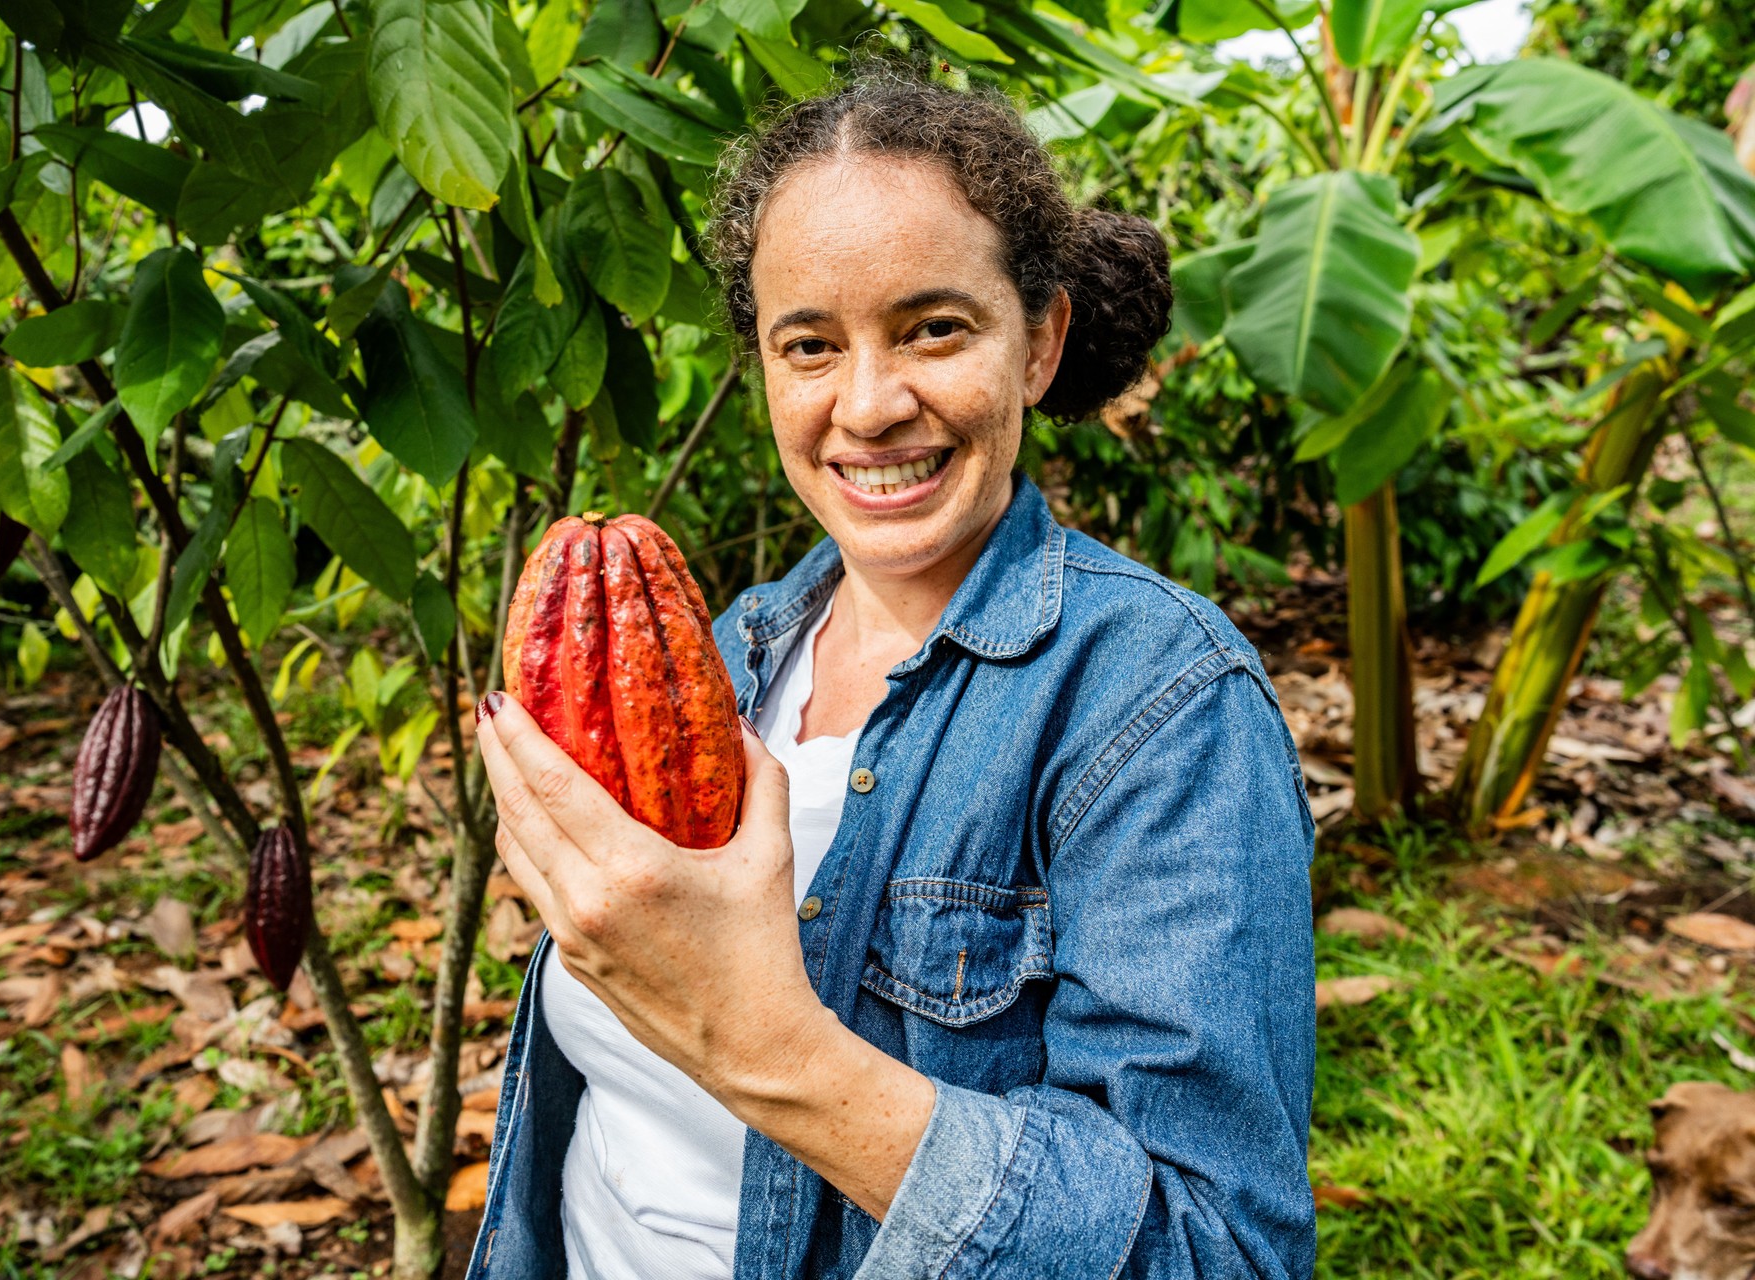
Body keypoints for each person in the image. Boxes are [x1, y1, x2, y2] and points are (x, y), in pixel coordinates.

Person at [467, 66, 1317, 1280]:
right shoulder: (732, 650)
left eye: (932, 328)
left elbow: (1216, 1251)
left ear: (1039, 342)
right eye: (808, 344)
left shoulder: (1161, 705)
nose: (867, 406)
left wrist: (766, 1045)